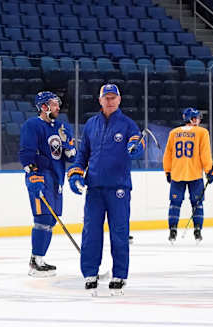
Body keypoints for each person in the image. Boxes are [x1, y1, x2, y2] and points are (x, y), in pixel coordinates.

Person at [67, 84, 145, 295]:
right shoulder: (91, 124)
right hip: (94, 187)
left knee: (119, 232)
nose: (109, 101)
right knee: (91, 232)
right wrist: (75, 173)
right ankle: (90, 274)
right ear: (100, 100)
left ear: (119, 100)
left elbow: (137, 144)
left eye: (113, 97)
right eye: (106, 97)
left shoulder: (128, 124)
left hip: (119, 188)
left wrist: (136, 148)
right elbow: (82, 154)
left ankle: (119, 275)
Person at [19, 91, 76, 277]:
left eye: (58, 104)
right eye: (54, 104)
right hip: (41, 177)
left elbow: (71, 156)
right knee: (42, 219)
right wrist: (33, 175)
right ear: (44, 107)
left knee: (51, 220)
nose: (58, 107)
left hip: (57, 178)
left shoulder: (62, 126)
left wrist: (69, 146)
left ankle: (39, 259)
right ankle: (35, 261)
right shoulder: (32, 125)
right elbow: (27, 153)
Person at [163, 107, 213, 243]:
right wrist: (210, 171)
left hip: (177, 174)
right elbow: (205, 154)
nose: (198, 120)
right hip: (195, 175)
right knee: (197, 203)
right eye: (197, 117)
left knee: (174, 203)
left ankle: (172, 230)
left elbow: (167, 154)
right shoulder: (202, 132)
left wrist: (168, 171)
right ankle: (197, 230)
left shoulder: (173, 133)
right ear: (191, 119)